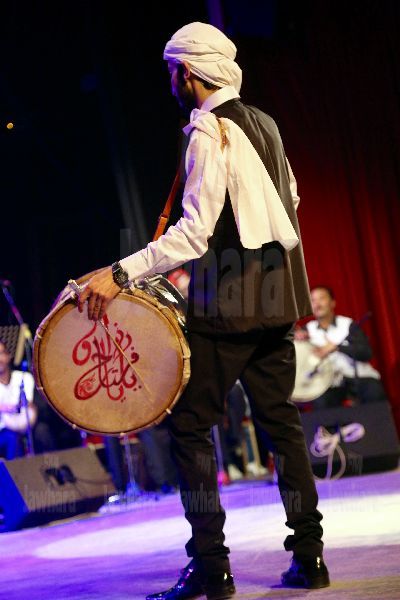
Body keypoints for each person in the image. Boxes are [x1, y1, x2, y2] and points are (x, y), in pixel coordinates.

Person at [77, 22, 329, 596]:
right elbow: (291, 199)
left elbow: (193, 234)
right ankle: (310, 556)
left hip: (230, 308)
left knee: (190, 428)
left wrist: (120, 274)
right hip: (278, 299)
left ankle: (212, 567)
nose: (170, 81)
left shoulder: (206, 130)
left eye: (172, 72)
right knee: (282, 427)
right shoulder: (266, 123)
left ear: (186, 73)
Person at [295, 286, 387, 409]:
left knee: (374, 391)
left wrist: (337, 347)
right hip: (329, 384)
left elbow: (366, 353)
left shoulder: (348, 324)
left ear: (332, 303)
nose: (317, 304)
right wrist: (299, 342)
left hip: (359, 378)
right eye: (313, 300)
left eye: (321, 298)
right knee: (321, 402)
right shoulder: (307, 330)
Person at [0, 339, 37, 458]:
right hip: (4, 432)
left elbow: (29, 406)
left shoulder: (24, 377)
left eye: (1, 353)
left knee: (43, 432)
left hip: (25, 426)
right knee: (11, 438)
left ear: (8, 355)